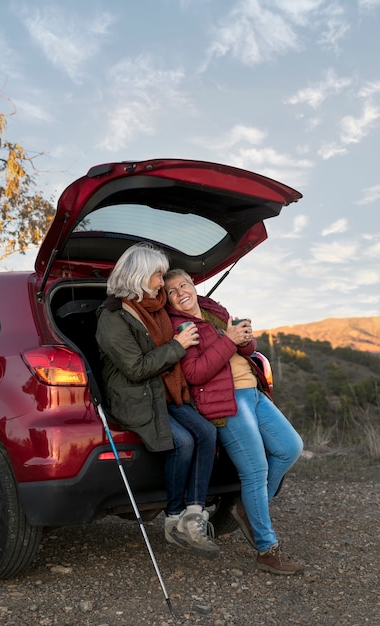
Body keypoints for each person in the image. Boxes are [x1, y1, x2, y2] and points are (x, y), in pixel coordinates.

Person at [164, 268, 305, 575]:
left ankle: (245, 508)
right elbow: (196, 373)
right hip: (225, 402)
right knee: (256, 470)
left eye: (184, 284)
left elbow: (246, 351)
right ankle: (267, 549)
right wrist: (229, 341)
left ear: (193, 285)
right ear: (168, 300)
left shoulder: (213, 309)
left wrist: (244, 339)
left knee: (290, 447)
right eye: (172, 290)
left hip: (253, 393)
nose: (181, 292)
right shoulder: (180, 326)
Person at [95, 244, 219, 558]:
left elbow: (192, 308)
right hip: (136, 398)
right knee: (183, 441)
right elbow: (136, 368)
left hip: (165, 392)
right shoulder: (112, 317)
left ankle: (194, 514)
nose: (162, 282)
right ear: (138, 276)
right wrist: (178, 346)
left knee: (207, 432)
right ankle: (175, 518)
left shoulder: (159, 305)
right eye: (158, 275)